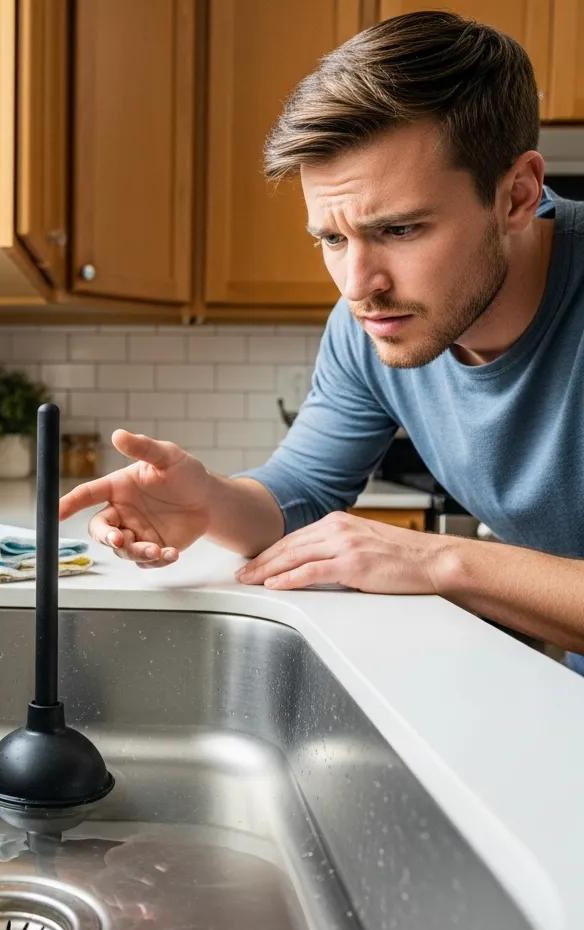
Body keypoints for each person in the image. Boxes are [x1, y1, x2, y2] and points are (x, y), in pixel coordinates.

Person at [58, 11, 584, 670]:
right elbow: (304, 486)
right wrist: (212, 503)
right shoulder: (371, 327)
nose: (359, 284)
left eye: (399, 230)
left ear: (517, 196)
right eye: (332, 239)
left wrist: (445, 560)